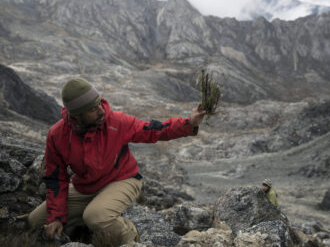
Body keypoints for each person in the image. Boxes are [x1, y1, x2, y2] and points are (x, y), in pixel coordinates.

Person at [28, 78, 206, 246]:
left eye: (99, 104)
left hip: (123, 179)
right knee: (36, 221)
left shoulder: (116, 121)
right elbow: (56, 177)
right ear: (76, 115)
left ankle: (131, 237)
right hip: (86, 187)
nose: (101, 111)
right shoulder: (57, 135)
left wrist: (189, 123)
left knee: (96, 217)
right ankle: (82, 224)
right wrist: (56, 217)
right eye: (92, 109)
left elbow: (154, 131)